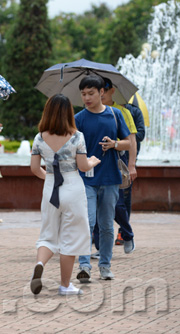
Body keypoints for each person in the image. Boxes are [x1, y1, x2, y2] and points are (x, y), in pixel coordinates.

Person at [30, 94, 101, 295]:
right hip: (72, 187)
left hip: (51, 188)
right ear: (68, 113)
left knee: (47, 234)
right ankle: (64, 285)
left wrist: (52, 179)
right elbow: (82, 166)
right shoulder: (77, 137)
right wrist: (94, 161)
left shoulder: (38, 137)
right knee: (70, 238)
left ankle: (40, 264)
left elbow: (35, 169)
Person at [75, 75, 132, 282]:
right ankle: (84, 266)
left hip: (110, 178)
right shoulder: (78, 118)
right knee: (87, 222)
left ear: (102, 92)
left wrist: (114, 144)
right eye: (83, 94)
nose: (87, 97)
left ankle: (105, 266)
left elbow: (128, 143)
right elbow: (72, 147)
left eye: (91, 93)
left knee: (107, 225)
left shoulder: (114, 114)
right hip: (86, 179)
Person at [92, 77, 138, 256]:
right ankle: (100, 248)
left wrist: (132, 165)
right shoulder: (89, 112)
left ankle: (127, 234)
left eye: (103, 88)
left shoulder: (121, 112)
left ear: (111, 90)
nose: (100, 93)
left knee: (117, 205)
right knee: (95, 207)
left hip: (116, 163)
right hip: (95, 164)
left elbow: (131, 140)